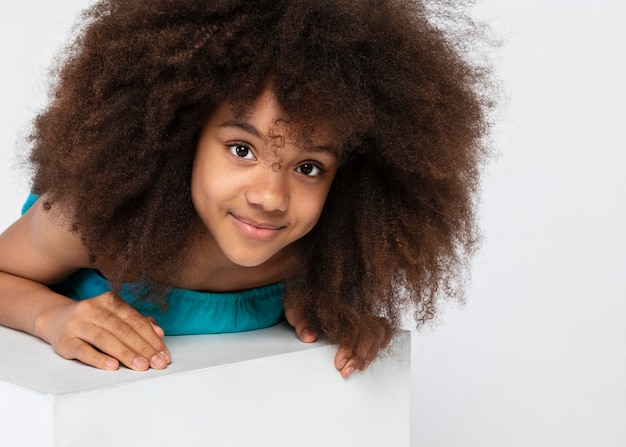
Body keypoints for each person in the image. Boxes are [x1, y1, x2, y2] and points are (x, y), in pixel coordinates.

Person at [0, 0, 493, 378]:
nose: (270, 197)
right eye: (242, 150)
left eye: (308, 167)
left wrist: (333, 308)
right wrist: (52, 318)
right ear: (179, 138)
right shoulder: (92, 223)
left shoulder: (315, 248)